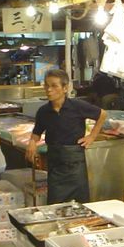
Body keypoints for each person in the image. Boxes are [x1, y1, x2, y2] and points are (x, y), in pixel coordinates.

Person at [26, 69, 107, 204]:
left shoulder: (77, 106)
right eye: (46, 85)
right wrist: (32, 142)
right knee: (56, 204)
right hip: (55, 164)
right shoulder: (43, 111)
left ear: (65, 88)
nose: (49, 89)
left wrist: (92, 137)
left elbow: (102, 114)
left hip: (76, 162)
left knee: (80, 205)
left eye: (54, 86)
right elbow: (37, 132)